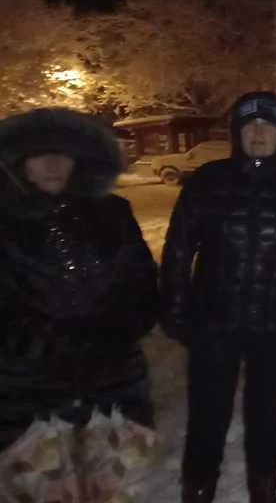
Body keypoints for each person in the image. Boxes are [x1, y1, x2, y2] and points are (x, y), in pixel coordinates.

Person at [161, 92, 276, 503]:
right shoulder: (209, 181)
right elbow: (178, 250)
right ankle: (198, 488)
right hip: (214, 320)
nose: (258, 132)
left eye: (268, 124)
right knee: (207, 415)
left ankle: (264, 489)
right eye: (250, 125)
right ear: (237, 133)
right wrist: (176, 308)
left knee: (265, 416)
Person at [0, 108, 159, 502]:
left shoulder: (113, 213)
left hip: (115, 390)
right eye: (39, 154)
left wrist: (119, 328)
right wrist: (47, 343)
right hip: (31, 400)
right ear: (19, 162)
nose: (52, 164)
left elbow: (142, 283)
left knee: (116, 494)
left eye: (62, 153)